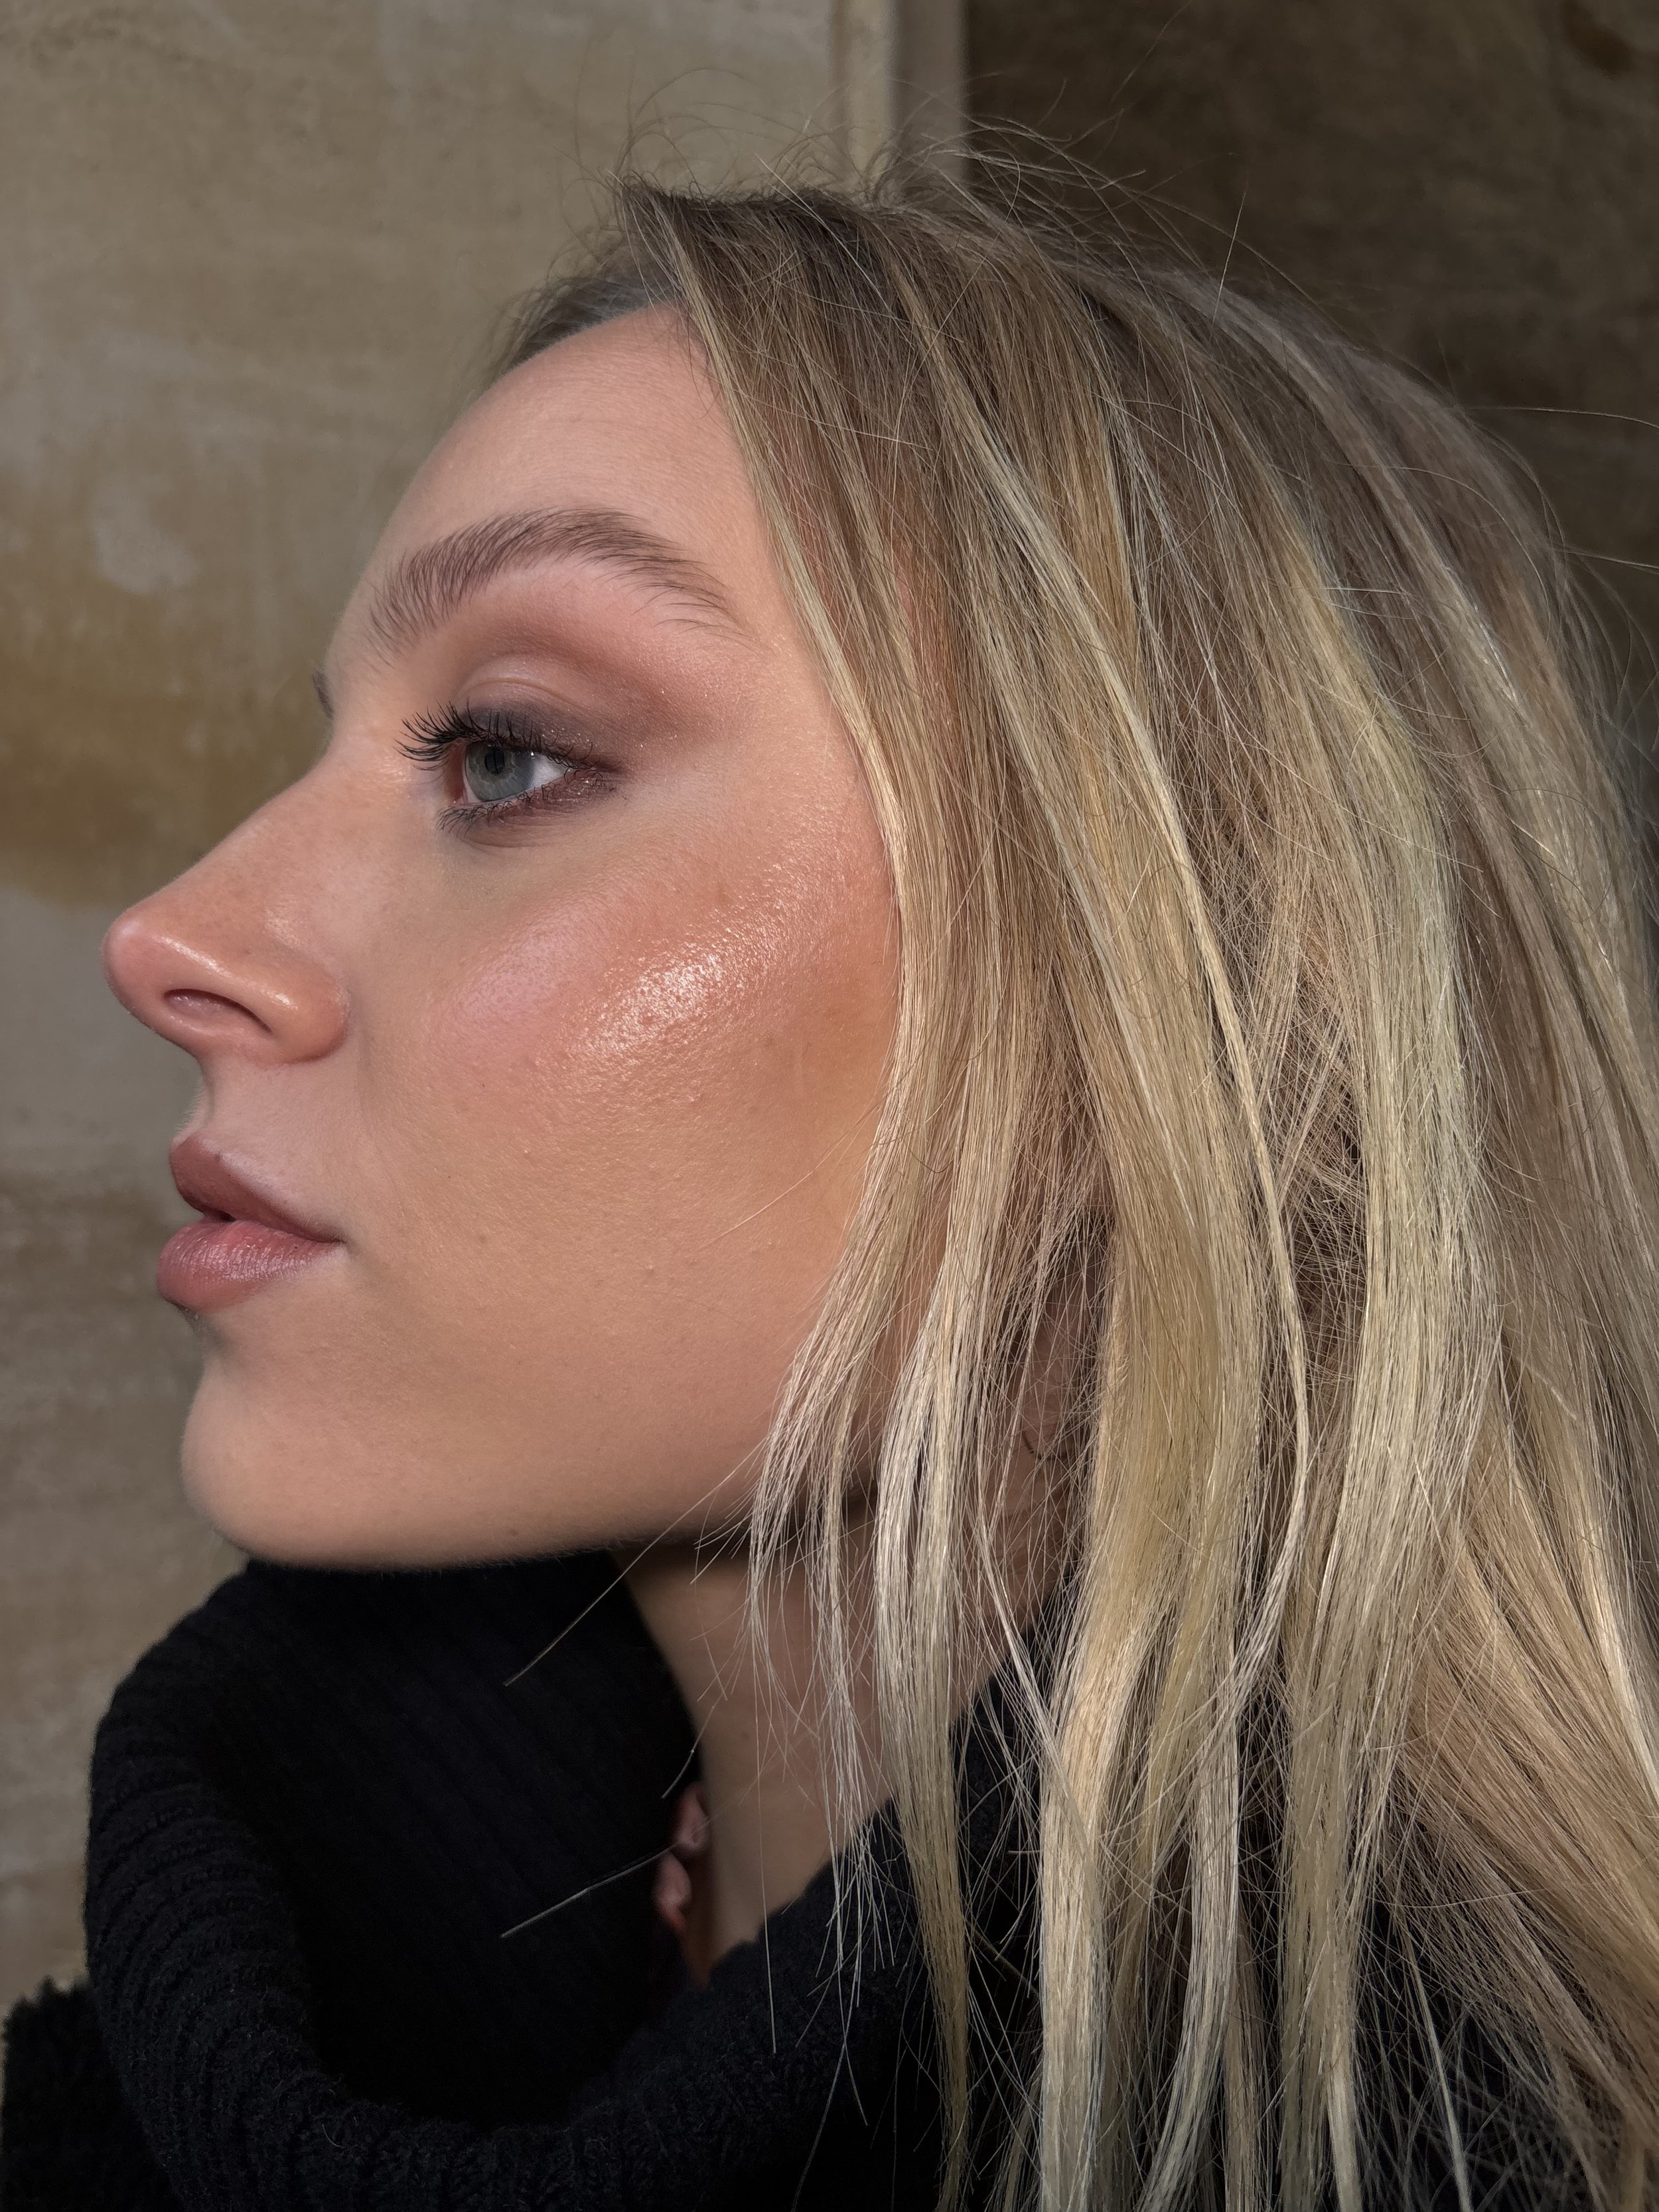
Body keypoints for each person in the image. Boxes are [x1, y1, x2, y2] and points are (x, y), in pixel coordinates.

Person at [3, 165, 1657, 2211]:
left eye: (504, 756)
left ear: (1190, 1003)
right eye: (335, 747)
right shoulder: (171, 2059)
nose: (176, 929)